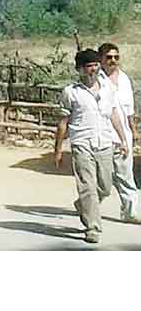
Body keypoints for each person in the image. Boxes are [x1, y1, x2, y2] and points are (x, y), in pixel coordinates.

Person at [54, 49, 129, 244]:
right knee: (87, 186)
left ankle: (82, 205)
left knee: (104, 186)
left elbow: (113, 114)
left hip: (104, 141)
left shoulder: (107, 88)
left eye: (96, 65)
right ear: (79, 69)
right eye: (88, 66)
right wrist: (59, 149)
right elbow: (63, 122)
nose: (93, 70)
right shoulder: (71, 92)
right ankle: (92, 227)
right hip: (81, 142)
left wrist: (122, 139)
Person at [98, 42, 140, 222]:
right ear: (101, 59)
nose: (112, 60)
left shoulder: (124, 79)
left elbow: (129, 108)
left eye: (116, 57)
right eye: (108, 57)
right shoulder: (95, 79)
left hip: (123, 135)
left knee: (126, 174)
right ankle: (87, 204)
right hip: (102, 134)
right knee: (102, 178)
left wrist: (134, 130)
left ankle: (130, 211)